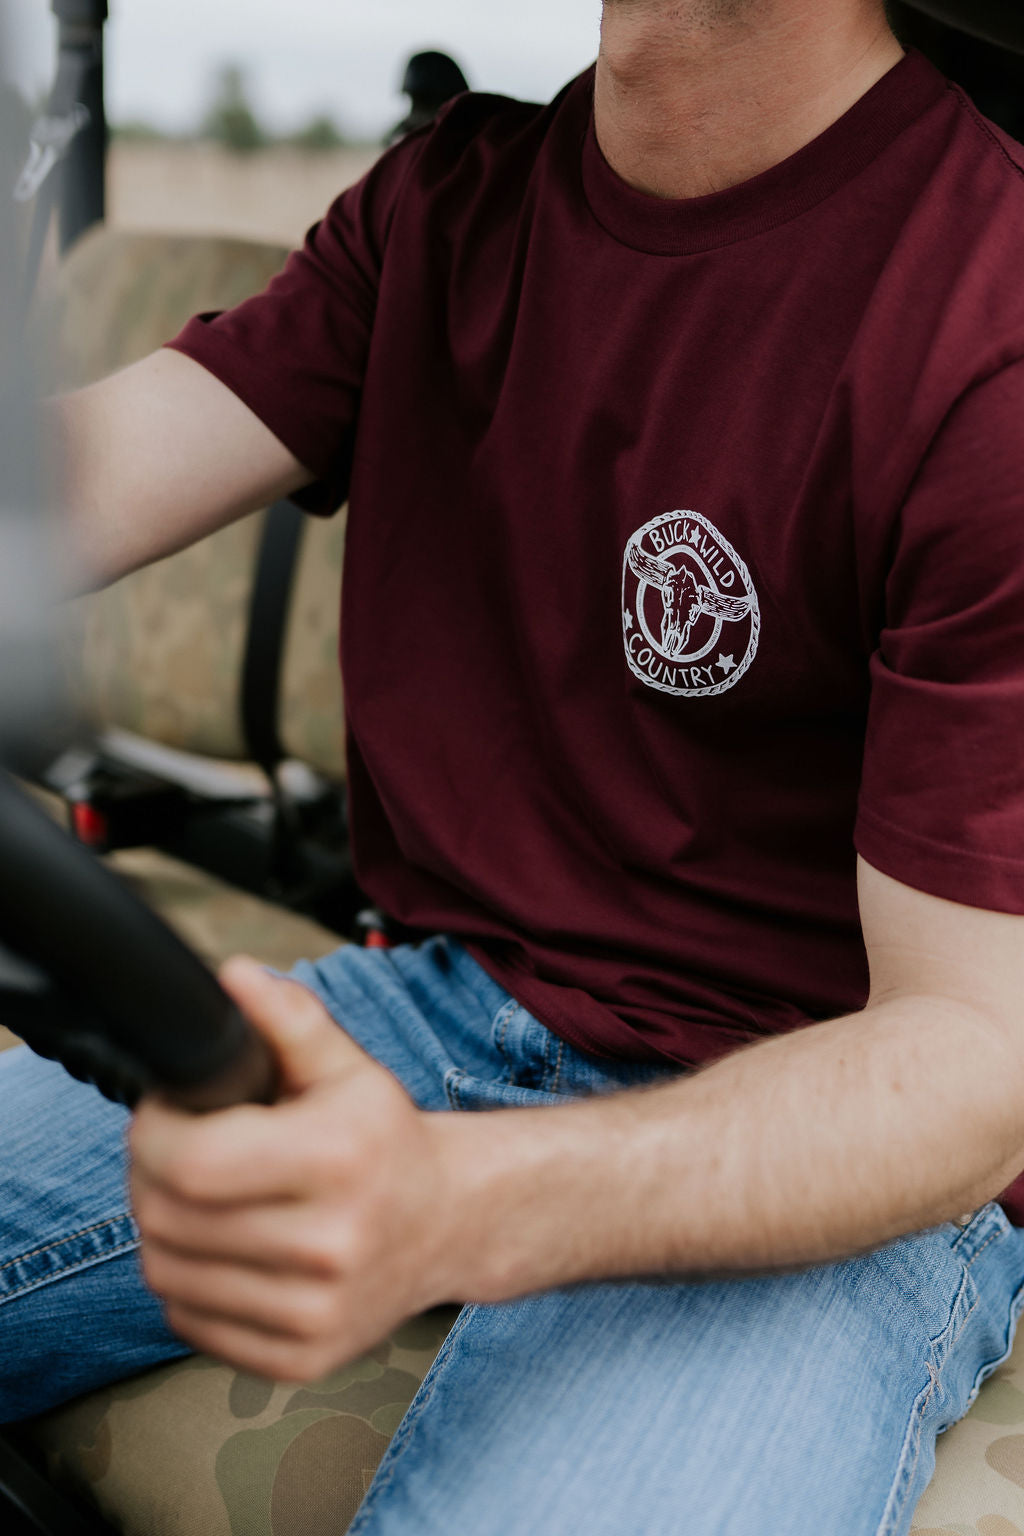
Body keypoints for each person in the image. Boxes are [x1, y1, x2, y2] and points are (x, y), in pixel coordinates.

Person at [4, 1, 1024, 1530]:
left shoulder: (986, 307)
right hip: (441, 994)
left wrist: (447, 1210)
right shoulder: (449, 202)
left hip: (818, 1133)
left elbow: (968, 1062)